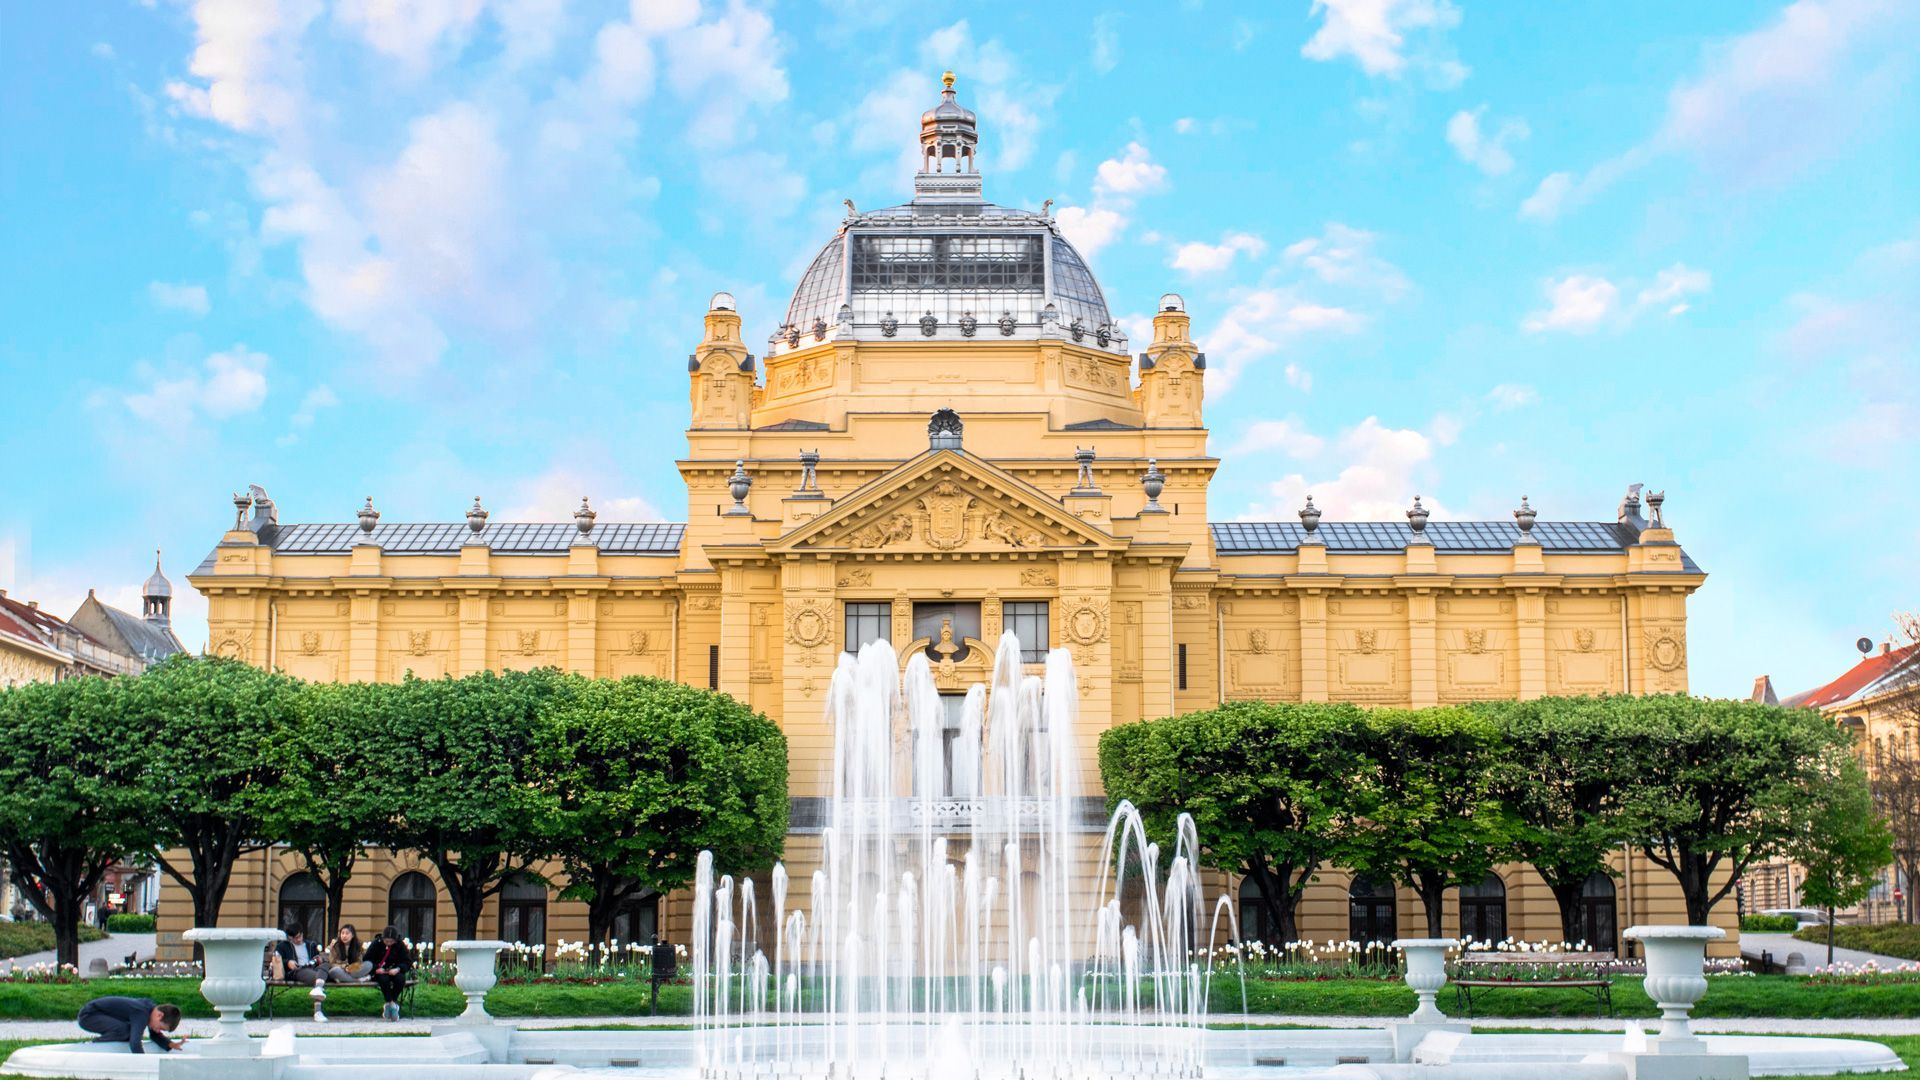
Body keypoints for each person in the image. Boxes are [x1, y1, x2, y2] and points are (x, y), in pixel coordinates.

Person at [75, 997, 183, 1054]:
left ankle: (101, 1041)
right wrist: (145, 1063)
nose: (158, 1031)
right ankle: (94, 1044)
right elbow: (135, 1043)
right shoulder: (142, 1013)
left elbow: (154, 1035)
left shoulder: (150, 1010)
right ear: (159, 1015)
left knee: (127, 1032)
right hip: (89, 1015)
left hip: (97, 1015)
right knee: (126, 1031)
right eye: (160, 1028)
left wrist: (170, 1044)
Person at [364, 925, 412, 1021]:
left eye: (391, 941)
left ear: (395, 940)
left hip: (394, 971)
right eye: (386, 941)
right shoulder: (376, 944)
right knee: (383, 979)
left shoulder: (400, 945)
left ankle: (389, 1004)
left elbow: (407, 961)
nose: (389, 943)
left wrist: (398, 969)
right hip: (379, 972)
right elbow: (367, 960)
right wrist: (376, 968)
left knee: (400, 979)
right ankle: (392, 1004)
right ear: (383, 938)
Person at [649, 935, 676, 1015]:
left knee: (655, 985)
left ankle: (654, 1011)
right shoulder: (659, 949)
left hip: (659, 971)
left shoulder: (657, 949)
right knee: (655, 984)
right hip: (663, 971)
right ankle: (653, 1011)